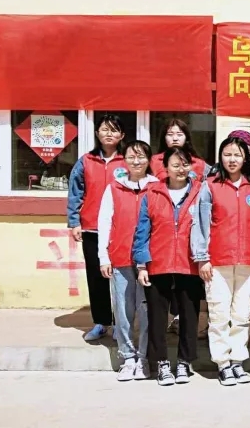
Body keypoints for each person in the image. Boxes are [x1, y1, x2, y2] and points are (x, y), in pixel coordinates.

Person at [190, 135, 250, 387]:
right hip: (217, 261)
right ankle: (222, 363)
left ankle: (237, 361)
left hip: (248, 260)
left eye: (237, 155)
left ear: (246, 158)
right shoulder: (210, 186)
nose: (232, 159)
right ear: (220, 157)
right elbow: (199, 223)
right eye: (227, 154)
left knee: (242, 314)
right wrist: (202, 258)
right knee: (219, 314)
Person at [133, 148, 204, 386]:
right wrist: (142, 264)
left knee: (189, 315)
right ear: (165, 167)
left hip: (189, 262)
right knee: (157, 316)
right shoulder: (152, 193)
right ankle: (162, 363)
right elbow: (142, 231)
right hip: (158, 261)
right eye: (175, 165)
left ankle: (184, 362)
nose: (181, 169)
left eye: (185, 164)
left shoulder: (200, 191)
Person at [97, 140, 157, 381]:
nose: (136, 161)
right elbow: (104, 222)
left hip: (150, 261)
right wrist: (103, 256)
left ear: (149, 160)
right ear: (124, 160)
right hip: (120, 257)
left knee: (147, 311)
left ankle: (143, 358)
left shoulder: (157, 187)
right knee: (123, 311)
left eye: (141, 156)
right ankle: (127, 358)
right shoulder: (114, 188)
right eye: (131, 156)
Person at [68, 114, 127, 342]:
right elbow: (75, 192)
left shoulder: (127, 160)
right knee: (96, 278)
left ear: (122, 135)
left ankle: (121, 324)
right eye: (104, 129)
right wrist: (74, 222)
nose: (109, 133)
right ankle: (101, 322)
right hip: (92, 228)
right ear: (97, 133)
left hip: (121, 230)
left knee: (122, 279)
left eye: (114, 130)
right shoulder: (86, 161)